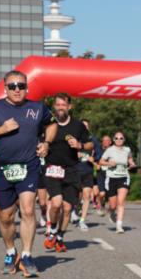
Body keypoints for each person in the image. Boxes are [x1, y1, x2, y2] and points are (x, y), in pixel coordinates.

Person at [0, 70, 56, 277]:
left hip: (29, 165)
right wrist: (1, 130)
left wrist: (46, 143)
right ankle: (11, 252)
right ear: (5, 88)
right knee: (6, 216)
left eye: (21, 85)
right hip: (2, 168)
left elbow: (52, 124)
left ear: (27, 88)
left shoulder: (37, 107)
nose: (17, 90)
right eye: (12, 86)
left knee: (28, 210)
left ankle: (27, 255)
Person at [42, 93, 92, 252]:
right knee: (56, 203)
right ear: (54, 107)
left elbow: (90, 144)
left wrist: (80, 145)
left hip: (71, 170)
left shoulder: (78, 125)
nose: (60, 108)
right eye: (57, 105)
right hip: (53, 168)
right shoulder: (47, 124)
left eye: (63, 105)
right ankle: (52, 230)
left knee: (68, 208)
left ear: (69, 107)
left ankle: (60, 237)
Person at [99, 131, 136, 233]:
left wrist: (132, 164)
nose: (118, 140)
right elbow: (101, 161)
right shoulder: (109, 150)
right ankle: (111, 212)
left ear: (124, 139)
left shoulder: (127, 149)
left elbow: (130, 159)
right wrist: (109, 163)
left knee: (121, 202)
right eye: (116, 138)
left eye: (121, 138)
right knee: (113, 205)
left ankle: (119, 226)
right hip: (111, 178)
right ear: (113, 140)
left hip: (123, 177)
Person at [76, 120, 99, 231]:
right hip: (75, 171)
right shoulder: (74, 139)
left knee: (86, 195)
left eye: (86, 126)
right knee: (76, 196)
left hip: (87, 171)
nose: (84, 128)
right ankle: (75, 209)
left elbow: (99, 155)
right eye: (82, 126)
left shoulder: (93, 140)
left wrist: (93, 159)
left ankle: (82, 220)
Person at [95, 133, 111, 215]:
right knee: (102, 193)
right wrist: (96, 165)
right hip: (101, 173)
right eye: (104, 140)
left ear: (110, 142)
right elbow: (93, 159)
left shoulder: (113, 150)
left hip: (110, 174)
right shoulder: (98, 150)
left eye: (107, 140)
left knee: (109, 193)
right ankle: (99, 204)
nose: (105, 142)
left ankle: (104, 204)